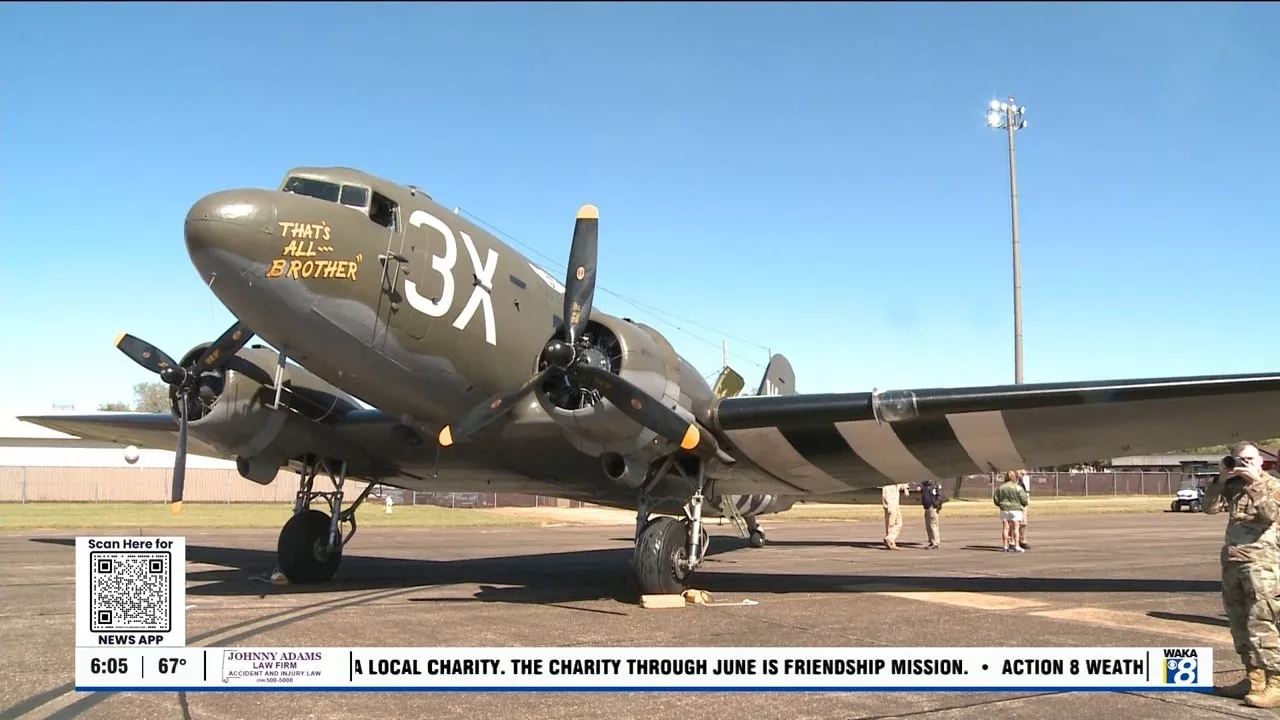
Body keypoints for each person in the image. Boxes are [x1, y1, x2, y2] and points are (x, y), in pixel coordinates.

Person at [1203, 441, 1280, 707]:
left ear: (1260, 461)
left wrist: (1254, 482)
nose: (1242, 464)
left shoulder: (1273, 485)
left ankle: (1276, 683)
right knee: (1239, 622)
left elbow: (1270, 514)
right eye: (1237, 459)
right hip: (1233, 562)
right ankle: (1253, 679)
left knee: (1262, 624)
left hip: (1262, 565)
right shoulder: (1233, 486)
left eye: (1248, 459)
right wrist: (1220, 481)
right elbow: (1209, 507)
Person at [993, 470, 1029, 552]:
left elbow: (996, 499)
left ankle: (1005, 545)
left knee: (1005, 528)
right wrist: (1022, 504)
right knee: (1016, 527)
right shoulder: (1018, 488)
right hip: (1016, 509)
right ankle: (1016, 545)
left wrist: (1001, 505)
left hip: (1004, 509)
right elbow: (1024, 500)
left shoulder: (1000, 488)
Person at [881, 483, 909, 549]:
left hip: (888, 505)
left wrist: (904, 488)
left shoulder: (885, 486)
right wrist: (905, 488)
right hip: (892, 505)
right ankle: (889, 538)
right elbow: (901, 482)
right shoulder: (892, 485)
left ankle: (891, 542)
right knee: (898, 523)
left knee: (890, 525)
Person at [921, 479, 945, 548]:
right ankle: (931, 541)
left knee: (933, 525)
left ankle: (935, 542)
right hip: (927, 507)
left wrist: (936, 505)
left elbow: (940, 496)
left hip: (933, 507)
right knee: (928, 526)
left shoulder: (935, 485)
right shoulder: (925, 485)